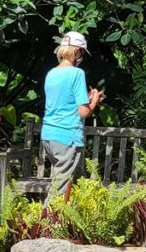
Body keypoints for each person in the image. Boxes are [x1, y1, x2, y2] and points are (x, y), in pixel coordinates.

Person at [40, 31, 105, 204]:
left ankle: (75, 223)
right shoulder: (77, 74)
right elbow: (83, 112)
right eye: (82, 52)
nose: (82, 56)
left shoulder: (51, 73)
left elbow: (65, 102)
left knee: (77, 181)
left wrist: (89, 98)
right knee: (60, 190)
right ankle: (47, 226)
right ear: (76, 51)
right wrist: (95, 101)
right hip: (67, 136)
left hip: (49, 136)